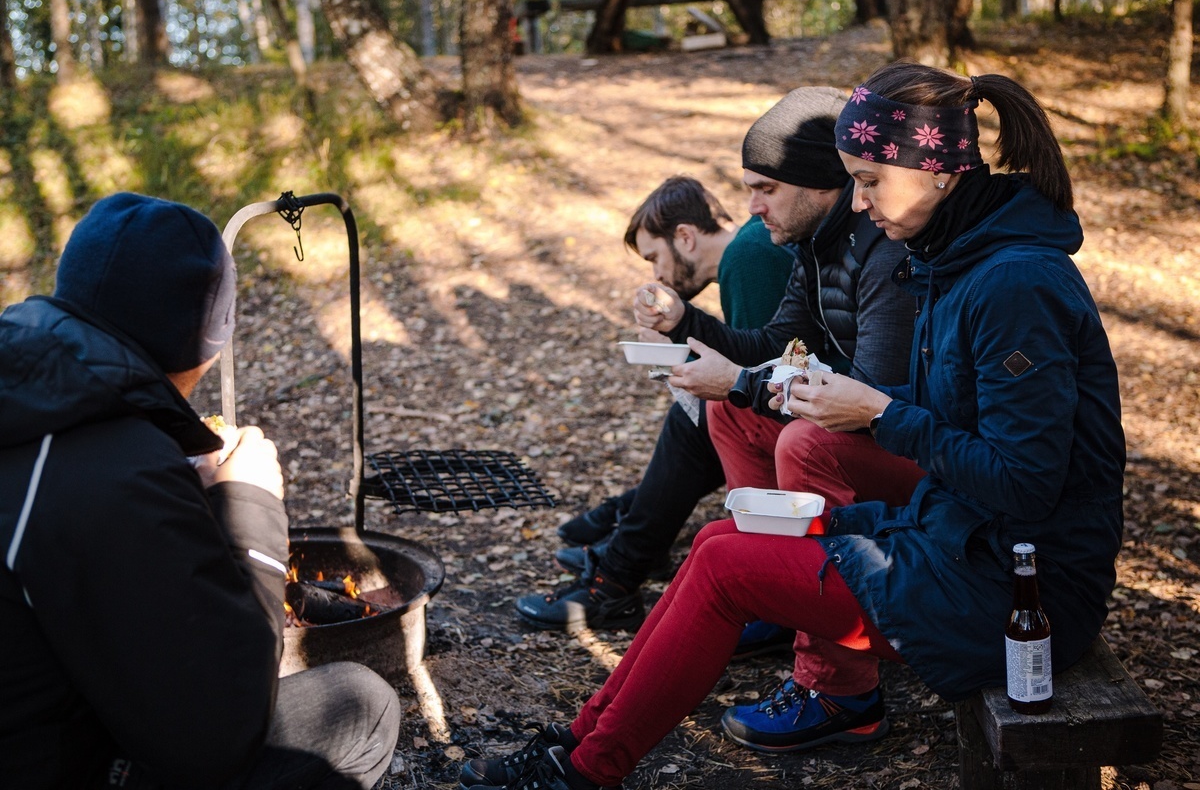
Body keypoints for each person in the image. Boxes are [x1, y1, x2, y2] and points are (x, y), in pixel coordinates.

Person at [456, 61, 1124, 790]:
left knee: (723, 568)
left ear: (936, 169)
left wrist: (878, 412)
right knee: (722, 537)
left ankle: (585, 771)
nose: (860, 201)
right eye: (854, 180)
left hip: (1022, 592)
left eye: (870, 179)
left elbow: (1025, 484)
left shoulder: (1012, 283)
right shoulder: (957, 259)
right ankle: (577, 742)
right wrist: (850, 401)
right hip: (962, 540)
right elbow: (952, 419)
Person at [0, 193, 401, 789]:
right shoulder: (126, 474)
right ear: (204, 346)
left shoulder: (34, 406)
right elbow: (219, 733)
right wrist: (252, 508)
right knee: (362, 706)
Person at [516, 87, 917, 655]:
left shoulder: (842, 252)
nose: (752, 207)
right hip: (853, 428)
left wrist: (735, 382)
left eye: (765, 189)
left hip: (906, 448)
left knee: (751, 425)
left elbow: (863, 394)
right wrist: (684, 321)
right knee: (719, 413)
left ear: (819, 180)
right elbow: (775, 343)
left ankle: (818, 656)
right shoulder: (814, 246)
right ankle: (746, 576)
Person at [518, 175, 794, 631]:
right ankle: (626, 538)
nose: (656, 275)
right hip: (793, 406)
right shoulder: (747, 248)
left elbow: (764, 369)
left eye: (655, 258)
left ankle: (621, 564)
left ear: (685, 236)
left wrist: (683, 347)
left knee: (696, 421)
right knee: (699, 417)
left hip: (808, 418)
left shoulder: (748, 257)